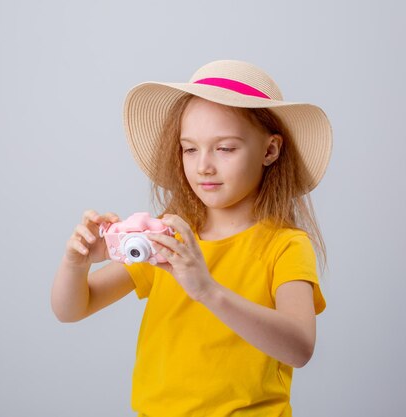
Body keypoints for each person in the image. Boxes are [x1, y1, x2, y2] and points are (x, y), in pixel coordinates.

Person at [51, 59, 333, 417]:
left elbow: (299, 348)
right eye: (190, 148)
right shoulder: (168, 236)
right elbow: (72, 309)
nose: (204, 166)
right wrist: (74, 265)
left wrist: (207, 290)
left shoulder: (286, 245)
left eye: (225, 148)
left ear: (269, 150)